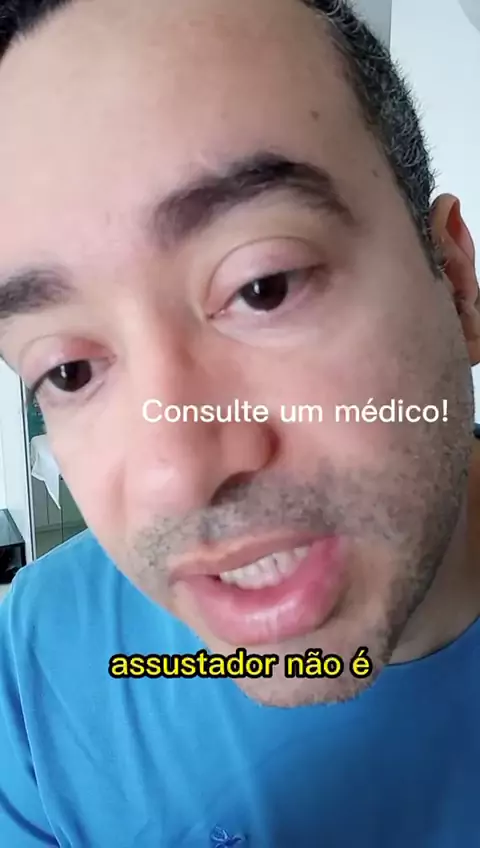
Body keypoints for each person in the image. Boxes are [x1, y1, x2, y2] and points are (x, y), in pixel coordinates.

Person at [0, 0, 479, 844]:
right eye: (69, 371)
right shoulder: (32, 671)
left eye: (265, 287)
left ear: (457, 283)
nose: (176, 474)